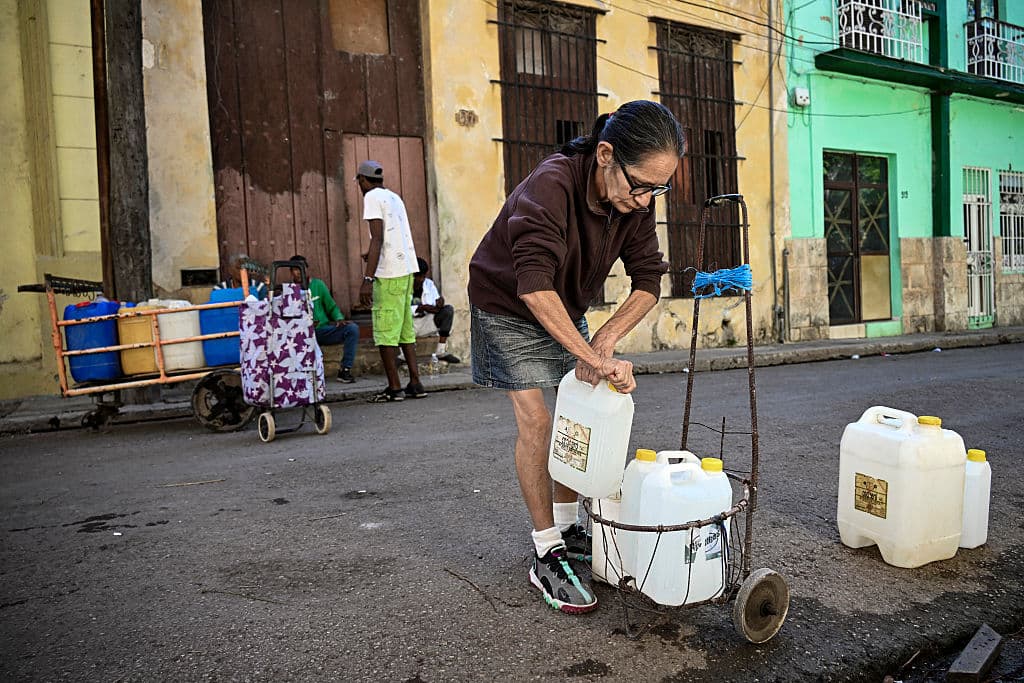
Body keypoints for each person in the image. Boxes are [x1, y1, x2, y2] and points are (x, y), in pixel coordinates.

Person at [468, 100, 684, 614]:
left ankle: (569, 525)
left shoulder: (633, 202)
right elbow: (532, 282)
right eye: (642, 184)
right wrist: (588, 351)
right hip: (507, 304)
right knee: (539, 423)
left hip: (563, 307)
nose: (647, 198)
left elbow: (650, 280)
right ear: (606, 154)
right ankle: (546, 551)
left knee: (576, 420)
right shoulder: (554, 184)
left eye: (660, 188)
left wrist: (604, 343)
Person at [355, 160, 426, 402]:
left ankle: (394, 388)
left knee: (385, 331)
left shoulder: (372, 197)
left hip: (390, 274)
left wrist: (368, 277)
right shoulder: (394, 197)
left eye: (359, 183)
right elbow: (390, 237)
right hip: (406, 269)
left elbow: (377, 238)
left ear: (363, 181)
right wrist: (372, 255)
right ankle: (415, 382)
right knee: (405, 329)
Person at [289, 255, 359, 383]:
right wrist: (305, 325)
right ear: (291, 272)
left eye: (301, 268)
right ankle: (301, 378)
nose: (299, 272)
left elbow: (331, 307)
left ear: (307, 269)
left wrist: (338, 318)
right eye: (295, 269)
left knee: (352, 329)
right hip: (302, 334)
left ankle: (345, 370)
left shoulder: (318, 285)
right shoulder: (290, 291)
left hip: (321, 330)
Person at [409, 257, 461, 364]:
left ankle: (441, 351)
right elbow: (400, 310)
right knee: (397, 318)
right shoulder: (402, 286)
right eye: (419, 277)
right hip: (409, 324)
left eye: (423, 276)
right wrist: (420, 308)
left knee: (448, 310)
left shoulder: (428, 284)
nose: (422, 280)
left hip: (427, 323)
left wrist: (439, 303)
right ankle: (402, 356)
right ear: (412, 276)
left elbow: (435, 303)